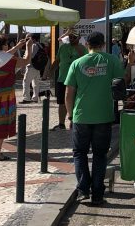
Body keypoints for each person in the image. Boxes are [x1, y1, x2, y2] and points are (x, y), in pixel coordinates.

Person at [64, 31, 127, 204]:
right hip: (104, 115)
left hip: (81, 115)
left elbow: (69, 93)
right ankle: (98, 194)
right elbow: (122, 83)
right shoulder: (112, 61)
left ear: (87, 45)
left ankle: (83, 190)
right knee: (100, 155)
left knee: (79, 153)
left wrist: (70, 115)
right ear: (104, 43)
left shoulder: (77, 63)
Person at [0, 34, 31, 161]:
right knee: (1, 123)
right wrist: (28, 47)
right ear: (3, 45)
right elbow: (26, 61)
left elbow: (3, 56)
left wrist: (18, 46)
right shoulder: (11, 60)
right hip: (5, 97)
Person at [51, 31, 85, 129]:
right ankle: (61, 123)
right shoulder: (63, 47)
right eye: (70, 37)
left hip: (76, 80)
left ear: (78, 37)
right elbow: (57, 60)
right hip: (62, 79)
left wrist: (77, 48)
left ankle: (73, 122)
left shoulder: (82, 48)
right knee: (61, 102)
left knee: (74, 102)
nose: (71, 39)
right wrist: (50, 71)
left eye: (74, 37)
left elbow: (85, 60)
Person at [20, 34, 44, 105]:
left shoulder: (33, 45)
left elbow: (30, 57)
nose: (26, 40)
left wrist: (24, 65)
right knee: (35, 83)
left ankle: (26, 98)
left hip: (31, 67)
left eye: (28, 39)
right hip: (38, 67)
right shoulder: (40, 45)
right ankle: (35, 98)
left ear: (32, 39)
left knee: (26, 82)